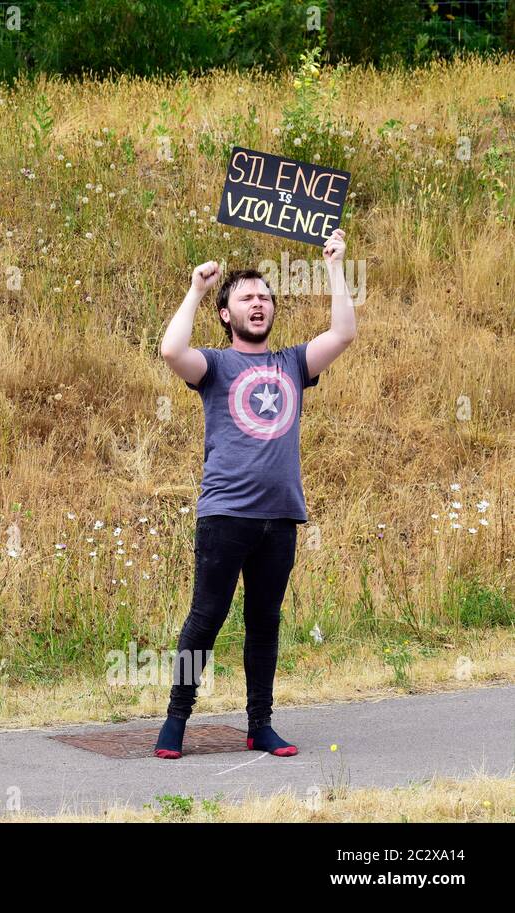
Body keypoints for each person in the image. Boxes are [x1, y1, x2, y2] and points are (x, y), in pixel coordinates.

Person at [153, 229, 355, 759]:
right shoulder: (216, 367)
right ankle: (175, 721)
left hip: (280, 517)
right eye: (246, 297)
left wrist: (335, 265)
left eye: (265, 296)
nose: (258, 303)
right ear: (227, 314)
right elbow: (171, 349)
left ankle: (260, 726)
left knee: (265, 623)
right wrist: (196, 290)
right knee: (205, 619)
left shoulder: (291, 363)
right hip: (225, 515)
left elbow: (343, 333)